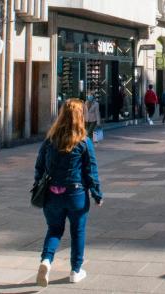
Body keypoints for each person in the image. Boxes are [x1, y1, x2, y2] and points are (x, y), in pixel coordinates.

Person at [34, 99, 103, 287]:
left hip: (51, 194)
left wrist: (37, 184)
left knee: (54, 229)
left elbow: (39, 166)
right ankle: (75, 270)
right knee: (77, 232)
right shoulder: (84, 141)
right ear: (80, 117)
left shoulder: (50, 140)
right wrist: (97, 194)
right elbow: (91, 171)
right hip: (76, 194)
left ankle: (46, 261)